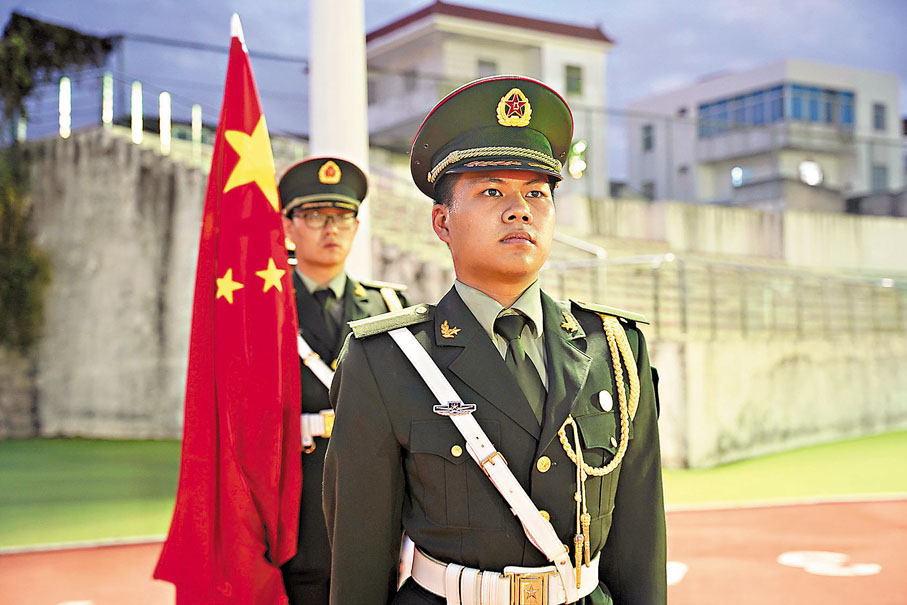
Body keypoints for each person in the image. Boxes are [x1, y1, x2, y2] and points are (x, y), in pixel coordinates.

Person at [323, 76, 666, 605]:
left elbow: (639, 538)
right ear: (442, 221)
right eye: (491, 191)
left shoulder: (615, 350)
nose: (520, 209)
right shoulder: (386, 360)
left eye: (536, 192)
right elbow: (361, 555)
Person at [277, 156, 408, 605]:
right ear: (288, 226)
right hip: (291, 497)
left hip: (370, 494)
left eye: (343, 216)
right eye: (314, 216)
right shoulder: (261, 306)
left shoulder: (389, 305)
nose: (331, 228)